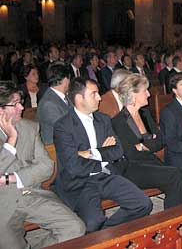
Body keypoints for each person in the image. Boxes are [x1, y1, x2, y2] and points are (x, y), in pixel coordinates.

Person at [0, 81, 85, 248]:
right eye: (15, 104)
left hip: (31, 194)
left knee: (75, 228)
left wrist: (11, 178)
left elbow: (46, 166)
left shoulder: (29, 128)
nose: (22, 108)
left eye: (20, 102)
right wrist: (10, 142)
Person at [53, 78, 152, 233]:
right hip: (80, 182)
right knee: (93, 222)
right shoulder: (63, 126)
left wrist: (92, 152)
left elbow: (118, 150)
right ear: (79, 98)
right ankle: (99, 233)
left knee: (143, 204)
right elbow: (73, 166)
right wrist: (104, 158)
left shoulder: (103, 119)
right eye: (94, 94)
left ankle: (105, 232)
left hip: (105, 175)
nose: (100, 97)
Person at [112, 73, 182, 209]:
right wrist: (150, 141)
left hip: (151, 161)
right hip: (133, 168)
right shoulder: (118, 121)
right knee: (174, 175)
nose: (148, 94)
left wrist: (143, 145)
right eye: (144, 91)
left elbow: (161, 140)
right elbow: (131, 154)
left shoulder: (145, 114)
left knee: (176, 176)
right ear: (132, 94)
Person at [37, 63, 71, 144]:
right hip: (55, 148)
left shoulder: (64, 96)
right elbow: (65, 128)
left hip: (67, 141)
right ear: (65, 80)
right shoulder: (49, 103)